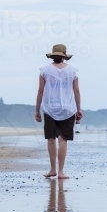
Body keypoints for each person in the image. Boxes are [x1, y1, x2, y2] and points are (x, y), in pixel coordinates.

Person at [34, 44, 83, 179]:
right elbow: (76, 91)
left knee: (51, 139)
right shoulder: (73, 71)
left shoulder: (44, 70)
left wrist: (37, 110)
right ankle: (61, 172)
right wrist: (79, 109)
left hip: (50, 108)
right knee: (63, 140)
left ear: (52, 55)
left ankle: (52, 169)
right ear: (64, 56)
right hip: (68, 109)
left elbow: (40, 91)